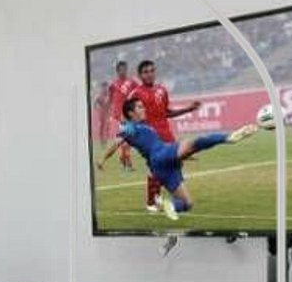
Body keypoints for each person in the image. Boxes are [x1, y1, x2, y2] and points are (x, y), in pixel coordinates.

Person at [99, 95, 261, 221]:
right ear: (131, 113)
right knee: (196, 142)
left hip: (162, 167)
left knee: (187, 204)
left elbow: (150, 145)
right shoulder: (130, 127)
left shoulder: (144, 126)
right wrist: (102, 159)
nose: (144, 109)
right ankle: (230, 138)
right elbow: (116, 143)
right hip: (161, 156)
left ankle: (168, 205)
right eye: (140, 107)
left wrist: (185, 156)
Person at [131, 59, 201, 211]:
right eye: (145, 72)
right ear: (139, 75)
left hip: (167, 135)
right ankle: (152, 202)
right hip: (152, 139)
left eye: (152, 71)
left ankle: (166, 200)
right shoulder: (136, 94)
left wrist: (188, 109)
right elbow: (131, 119)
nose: (149, 74)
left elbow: (166, 112)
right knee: (157, 169)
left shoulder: (161, 90)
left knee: (175, 165)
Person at [94, 59, 139, 171]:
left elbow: (138, 94)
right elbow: (109, 100)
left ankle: (113, 162)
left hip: (130, 115)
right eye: (121, 69)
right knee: (123, 141)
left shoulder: (132, 82)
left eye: (125, 69)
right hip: (121, 117)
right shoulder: (113, 85)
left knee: (123, 141)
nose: (124, 71)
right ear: (117, 71)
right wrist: (105, 109)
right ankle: (125, 164)